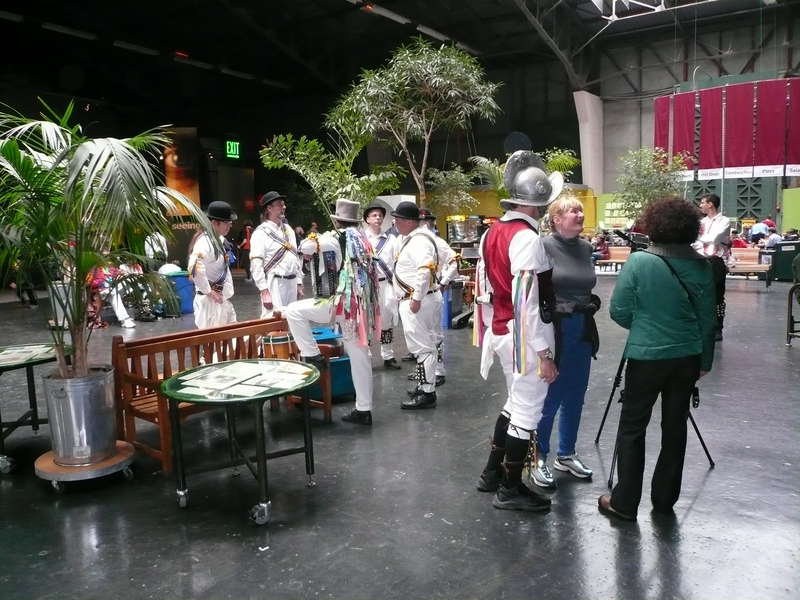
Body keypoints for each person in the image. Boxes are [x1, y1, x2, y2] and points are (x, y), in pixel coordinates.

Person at [599, 197, 716, 521]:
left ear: (654, 226)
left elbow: (619, 311)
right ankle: (664, 502)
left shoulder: (639, 262)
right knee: (675, 427)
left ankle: (624, 503)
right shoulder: (702, 266)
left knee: (633, 427)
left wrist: (645, 325)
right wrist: (705, 361)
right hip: (687, 357)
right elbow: (708, 319)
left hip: (646, 356)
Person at [474, 150, 561, 512]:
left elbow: (485, 289)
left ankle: (492, 474)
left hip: (502, 331)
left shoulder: (491, 232)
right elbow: (527, 304)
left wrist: (492, 329)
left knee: (514, 405)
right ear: (538, 202)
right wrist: (544, 353)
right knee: (526, 413)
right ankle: (510, 488)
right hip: (522, 338)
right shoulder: (526, 238)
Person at [285, 199, 381, 426]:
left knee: (293, 310)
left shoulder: (336, 238)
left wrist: (315, 236)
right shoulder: (363, 238)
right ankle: (364, 409)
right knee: (360, 357)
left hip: (340, 305)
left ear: (337, 221)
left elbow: (304, 247)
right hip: (359, 306)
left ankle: (312, 355)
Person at [529, 196, 599, 490]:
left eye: (580, 210)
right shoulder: (543, 246)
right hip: (555, 329)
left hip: (582, 326)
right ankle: (537, 456)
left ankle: (566, 453)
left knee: (576, 393)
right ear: (556, 219)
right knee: (551, 393)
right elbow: (533, 294)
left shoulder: (585, 247)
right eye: (573, 210)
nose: (579, 214)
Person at [392, 202, 444, 410]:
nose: (395, 223)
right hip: (422, 298)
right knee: (426, 345)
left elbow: (424, 270)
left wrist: (416, 298)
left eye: (397, 219)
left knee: (423, 348)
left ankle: (427, 393)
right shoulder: (417, 238)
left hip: (418, 301)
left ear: (408, 221)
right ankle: (425, 386)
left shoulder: (419, 241)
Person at [416, 209, 459, 388]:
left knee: (434, 335)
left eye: (423, 221)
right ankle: (426, 372)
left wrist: (443, 281)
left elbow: (454, 262)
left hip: (431, 293)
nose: (421, 225)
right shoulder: (411, 241)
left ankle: (438, 371)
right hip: (415, 296)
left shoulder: (437, 242)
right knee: (420, 338)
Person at [249, 191, 303, 318]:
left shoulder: (288, 229)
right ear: (269, 208)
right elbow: (256, 263)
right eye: (280, 204)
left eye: (284, 204)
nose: (284, 207)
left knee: (292, 320)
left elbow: (296, 258)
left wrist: (299, 282)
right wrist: (264, 290)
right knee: (273, 319)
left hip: (292, 282)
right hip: (275, 283)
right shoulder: (260, 232)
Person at [362, 202, 402, 370]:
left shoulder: (391, 240)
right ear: (367, 219)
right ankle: (366, 356)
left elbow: (397, 262)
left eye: (380, 215)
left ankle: (388, 355)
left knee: (386, 320)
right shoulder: (360, 239)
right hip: (367, 286)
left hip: (386, 285)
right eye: (374, 215)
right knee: (366, 321)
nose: (378, 218)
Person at [188, 201, 237, 329]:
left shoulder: (218, 240)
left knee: (230, 337)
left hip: (221, 300)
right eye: (226, 222)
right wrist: (209, 291)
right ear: (215, 223)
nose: (230, 225)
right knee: (214, 340)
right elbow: (194, 266)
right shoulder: (204, 242)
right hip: (209, 303)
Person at [692, 193, 730, 342]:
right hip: (700, 259)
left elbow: (715, 238)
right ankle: (702, 325)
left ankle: (718, 328)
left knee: (717, 295)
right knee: (700, 293)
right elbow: (695, 242)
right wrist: (703, 241)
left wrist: (702, 241)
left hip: (716, 261)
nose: (700, 205)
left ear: (710, 204)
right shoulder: (702, 222)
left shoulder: (724, 221)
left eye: (703, 203)